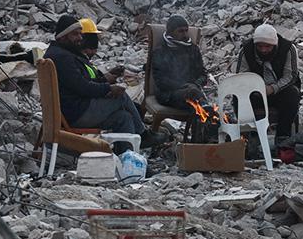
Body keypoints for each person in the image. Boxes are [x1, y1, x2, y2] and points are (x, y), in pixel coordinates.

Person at [44, 15, 164, 145]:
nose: (80, 38)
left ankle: (125, 158)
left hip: (72, 110)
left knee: (124, 118)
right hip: (76, 113)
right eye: (75, 34)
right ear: (63, 36)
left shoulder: (60, 53)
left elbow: (81, 82)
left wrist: (104, 80)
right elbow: (83, 88)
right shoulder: (63, 58)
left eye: (80, 34)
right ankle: (143, 135)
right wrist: (108, 88)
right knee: (121, 96)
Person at [235, 23, 302, 140]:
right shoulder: (246, 50)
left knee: (292, 94)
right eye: (260, 46)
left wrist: (272, 89)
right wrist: (256, 88)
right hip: (255, 93)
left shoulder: (288, 49)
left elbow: (290, 76)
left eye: (267, 46)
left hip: (280, 91)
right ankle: (250, 136)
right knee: (238, 98)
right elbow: (242, 76)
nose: (263, 50)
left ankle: (283, 138)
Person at [152, 15, 209, 108]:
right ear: (170, 32)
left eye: (186, 30)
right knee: (196, 102)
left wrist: (195, 84)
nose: (185, 34)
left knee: (196, 102)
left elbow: (203, 74)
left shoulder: (193, 49)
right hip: (168, 94)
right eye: (180, 31)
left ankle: (212, 117)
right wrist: (184, 86)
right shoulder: (161, 51)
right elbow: (160, 80)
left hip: (193, 91)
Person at [78, 18, 121, 85]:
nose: (94, 52)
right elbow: (84, 85)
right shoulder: (75, 62)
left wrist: (108, 74)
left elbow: (93, 77)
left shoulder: (84, 60)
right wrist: (104, 80)